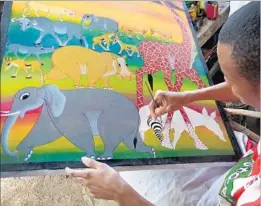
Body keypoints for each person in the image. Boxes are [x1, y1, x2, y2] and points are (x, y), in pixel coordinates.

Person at [65, 2, 260, 206]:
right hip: (242, 170)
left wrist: (122, 194)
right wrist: (188, 97)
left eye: (232, 80)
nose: (229, 85)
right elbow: (244, 87)